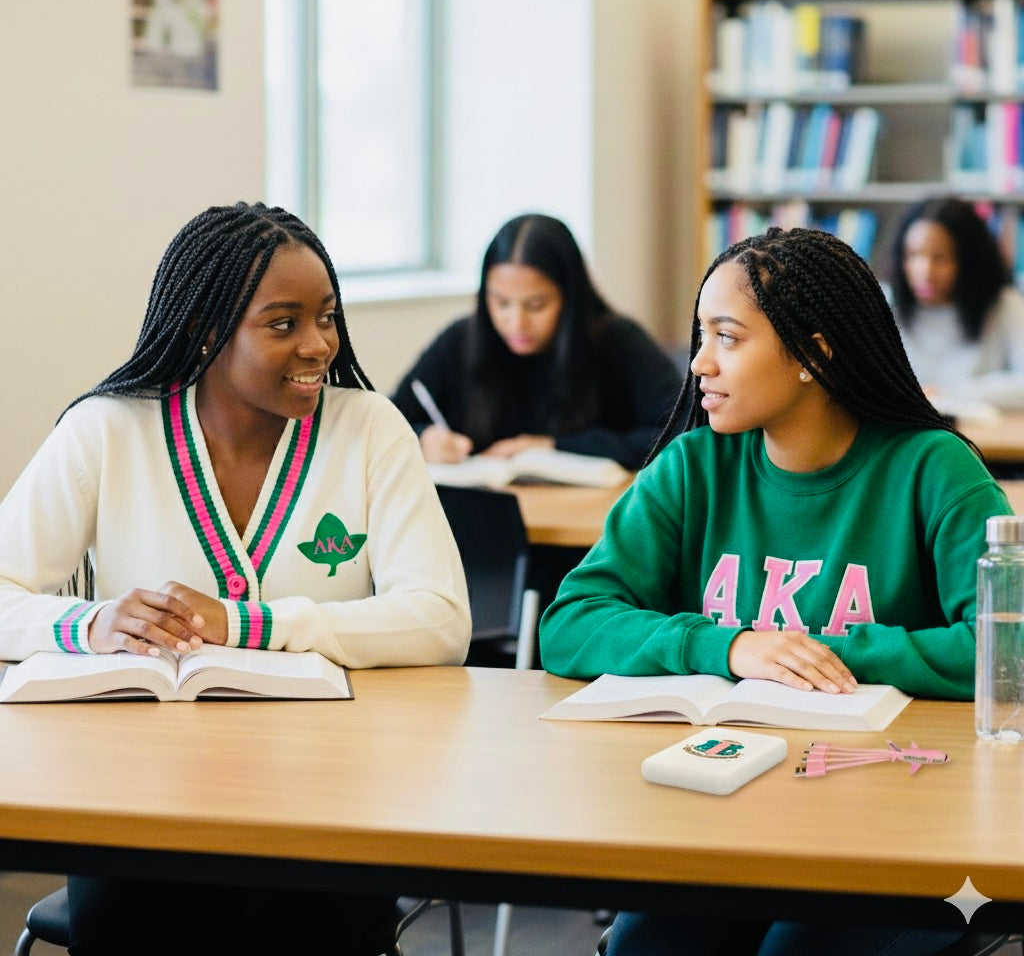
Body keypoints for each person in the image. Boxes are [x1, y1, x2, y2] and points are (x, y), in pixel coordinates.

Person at [0, 201, 471, 956]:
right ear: (205, 330)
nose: (318, 344)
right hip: (141, 803)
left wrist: (251, 623)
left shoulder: (369, 428)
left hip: (332, 796)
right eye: (283, 324)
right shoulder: (107, 428)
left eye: (327, 317)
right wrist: (89, 623)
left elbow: (440, 619)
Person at [539, 226, 1012, 956]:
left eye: (728, 338)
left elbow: (1008, 649)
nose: (699, 362)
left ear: (812, 354)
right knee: (647, 947)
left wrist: (825, 654)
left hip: (900, 825)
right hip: (723, 809)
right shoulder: (692, 467)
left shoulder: (932, 468)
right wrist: (732, 647)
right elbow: (571, 621)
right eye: (701, 335)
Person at [390, 212, 683, 472]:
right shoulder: (460, 340)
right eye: (501, 303)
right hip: (482, 511)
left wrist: (554, 447)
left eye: (536, 305)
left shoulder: (618, 341)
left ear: (569, 297)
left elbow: (681, 430)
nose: (516, 323)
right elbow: (389, 423)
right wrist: (423, 438)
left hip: (590, 514)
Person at [886, 195, 1024, 414]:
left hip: (979, 433)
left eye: (940, 258)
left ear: (969, 261)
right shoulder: (884, 304)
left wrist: (948, 393)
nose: (925, 271)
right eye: (914, 255)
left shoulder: (1005, 305)